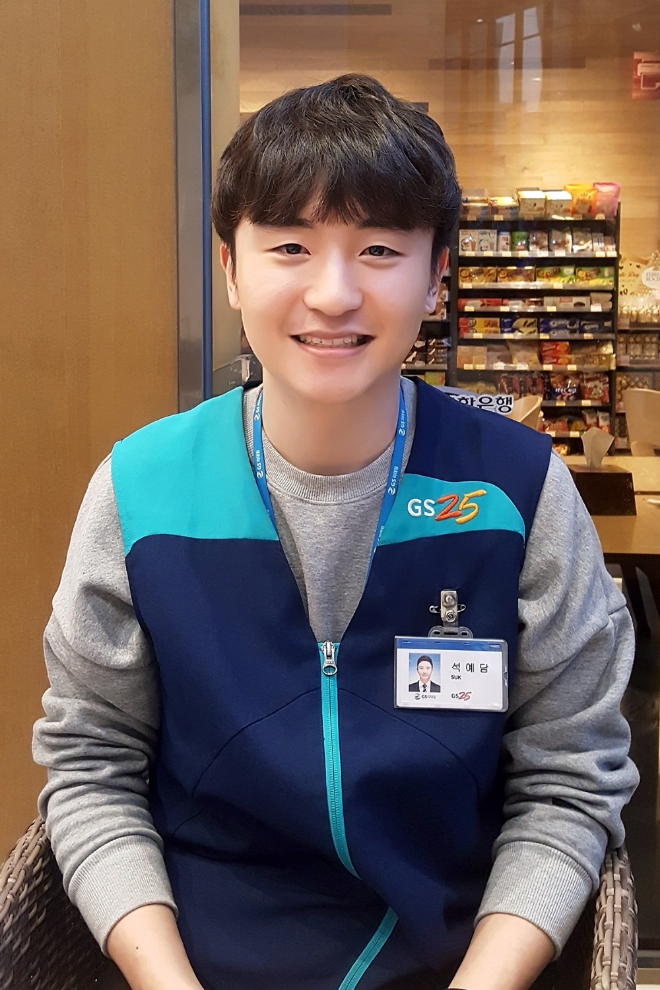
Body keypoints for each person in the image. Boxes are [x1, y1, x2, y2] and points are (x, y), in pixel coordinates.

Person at [33, 74, 638, 990]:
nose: (333, 292)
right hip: (193, 964)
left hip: (457, 961)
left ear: (436, 275)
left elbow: (569, 782)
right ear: (231, 268)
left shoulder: (516, 488)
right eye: (289, 246)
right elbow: (93, 768)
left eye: (380, 249)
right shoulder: (141, 489)